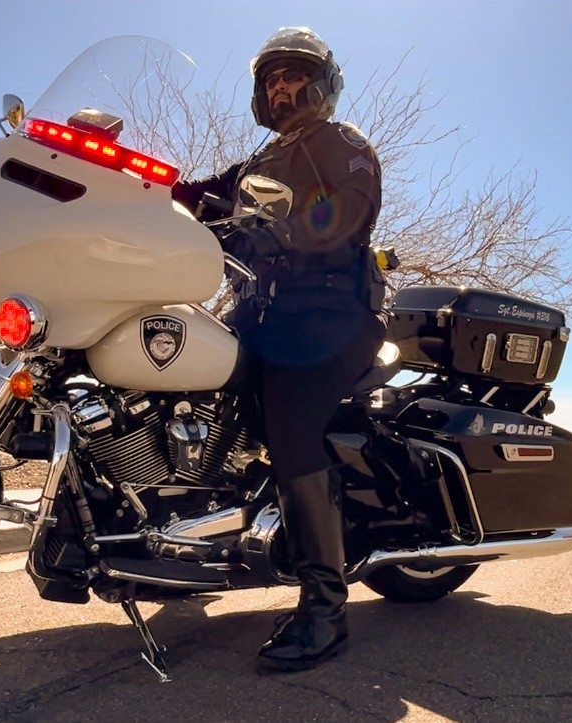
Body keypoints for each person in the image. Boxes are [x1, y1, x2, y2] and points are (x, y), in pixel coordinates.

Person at [172, 26, 386, 671]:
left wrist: (281, 233)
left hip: (329, 315)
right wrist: (123, 185)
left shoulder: (339, 143)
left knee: (291, 429)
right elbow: (191, 196)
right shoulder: (258, 164)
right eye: (272, 80)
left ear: (321, 82)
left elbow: (349, 213)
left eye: (293, 76)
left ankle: (325, 607)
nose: (282, 87)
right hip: (263, 316)